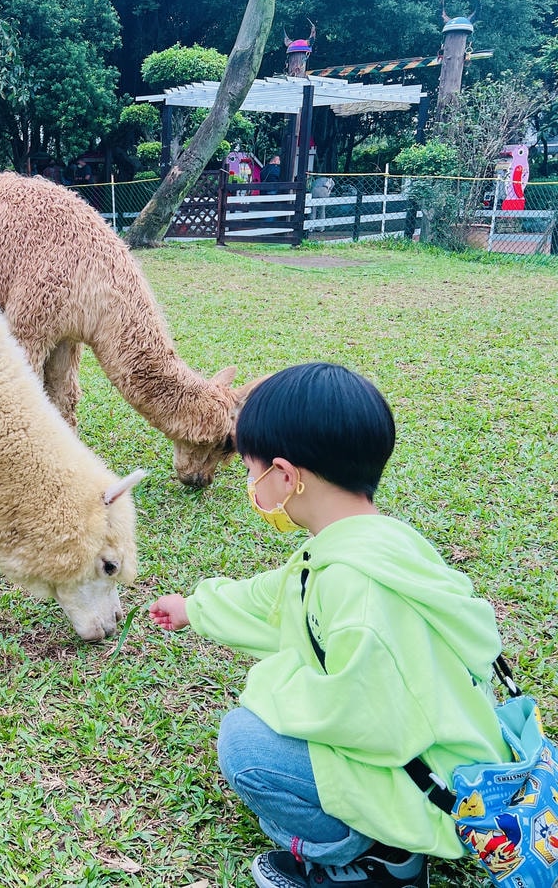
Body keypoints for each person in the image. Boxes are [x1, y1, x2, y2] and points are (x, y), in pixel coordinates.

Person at [148, 362, 511, 888]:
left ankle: (380, 860)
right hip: (450, 759)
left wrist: (271, 688)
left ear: (286, 476)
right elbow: (277, 596)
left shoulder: (352, 586)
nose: (251, 487)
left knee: (245, 745)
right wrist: (195, 608)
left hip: (435, 793)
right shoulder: (379, 541)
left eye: (252, 474)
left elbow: (368, 717)